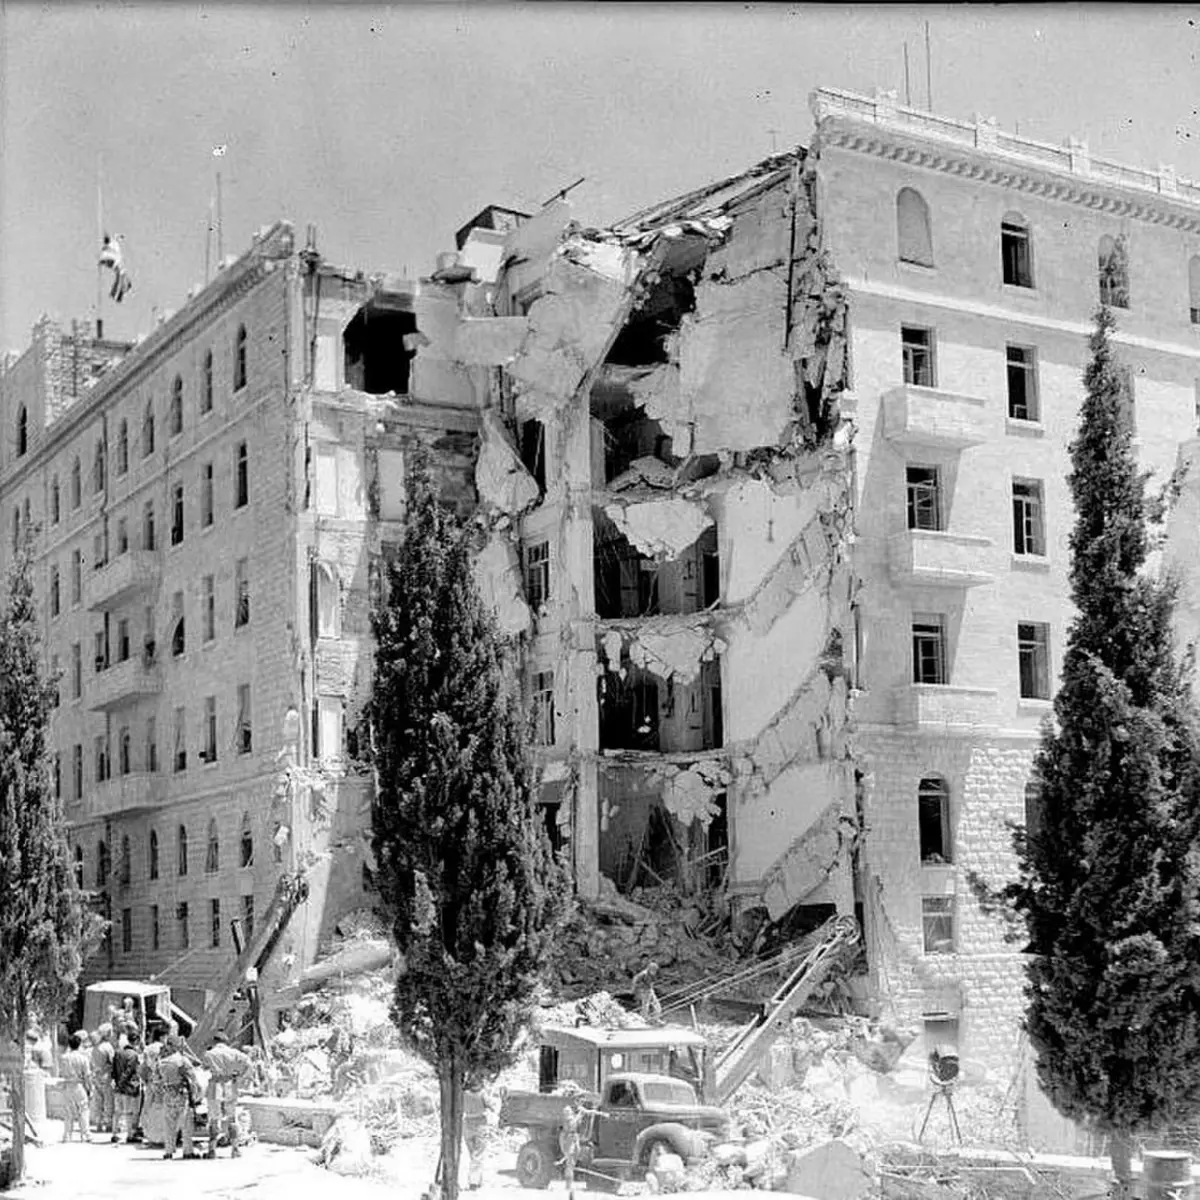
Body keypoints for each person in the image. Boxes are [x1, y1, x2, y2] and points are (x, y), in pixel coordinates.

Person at [202, 1033, 252, 1159]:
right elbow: (249, 1065)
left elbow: (204, 1067)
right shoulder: (234, 1053)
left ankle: (212, 1150)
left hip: (215, 1085)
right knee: (232, 1119)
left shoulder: (210, 1054)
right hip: (230, 1084)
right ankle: (235, 1149)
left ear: (214, 1041)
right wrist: (240, 1076)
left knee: (214, 1119)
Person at [157, 1033, 201, 1160]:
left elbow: (156, 1080)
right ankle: (187, 1151)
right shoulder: (182, 1061)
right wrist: (196, 1093)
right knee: (186, 1124)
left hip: (167, 1094)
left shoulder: (161, 1062)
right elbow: (193, 1078)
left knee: (168, 1124)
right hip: (181, 1095)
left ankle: (168, 1151)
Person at [111, 1024, 143, 1144]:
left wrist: (116, 1084)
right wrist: (122, 1083)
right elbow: (129, 1071)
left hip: (118, 1088)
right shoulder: (133, 1055)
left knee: (117, 1111)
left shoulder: (118, 1052)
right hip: (129, 1087)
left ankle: (114, 1134)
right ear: (136, 1041)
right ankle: (130, 1135)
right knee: (129, 1112)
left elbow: (113, 1071)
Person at [60, 1032, 93, 1143]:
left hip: (67, 1085)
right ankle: (85, 1135)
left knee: (68, 1112)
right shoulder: (83, 1058)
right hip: (79, 1085)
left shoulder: (63, 1058)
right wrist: (90, 1088)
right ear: (79, 1045)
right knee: (83, 1110)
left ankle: (67, 1136)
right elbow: (87, 1075)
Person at [89, 1023, 116, 1134]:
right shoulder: (107, 1047)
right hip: (106, 1076)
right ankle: (109, 1124)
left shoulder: (95, 1048)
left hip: (97, 1076)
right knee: (108, 1101)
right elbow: (112, 1061)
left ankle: (99, 1124)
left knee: (98, 1101)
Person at [462, 1086, 488, 1190]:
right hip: (479, 1124)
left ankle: (477, 1180)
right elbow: (491, 1105)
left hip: (467, 1123)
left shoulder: (464, 1094)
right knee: (478, 1155)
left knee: (473, 1154)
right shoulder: (482, 1094)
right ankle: (474, 1182)